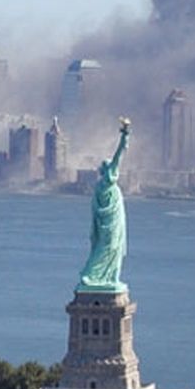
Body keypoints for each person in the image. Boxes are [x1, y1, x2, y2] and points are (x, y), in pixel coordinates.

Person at [78, 118, 130, 291]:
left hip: (113, 221)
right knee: (106, 247)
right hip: (107, 222)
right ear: (104, 172)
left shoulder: (106, 183)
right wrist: (124, 134)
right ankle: (92, 275)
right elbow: (119, 155)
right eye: (107, 167)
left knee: (113, 247)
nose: (111, 169)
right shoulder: (104, 185)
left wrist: (125, 135)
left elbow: (119, 154)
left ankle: (111, 277)